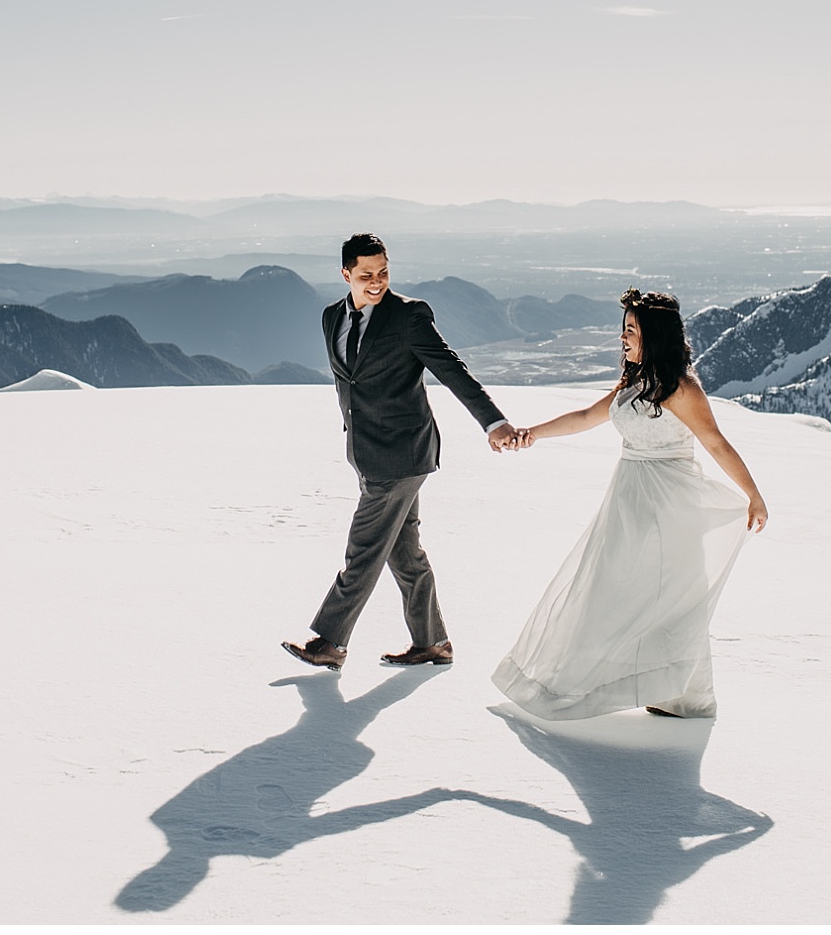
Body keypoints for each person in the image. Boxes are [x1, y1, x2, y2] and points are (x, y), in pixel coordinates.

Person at [491, 288, 768, 719]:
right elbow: (586, 417)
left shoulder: (681, 389)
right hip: (630, 500)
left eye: (631, 331)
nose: (623, 339)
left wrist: (753, 495)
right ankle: (628, 684)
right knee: (615, 591)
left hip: (670, 504)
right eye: (623, 330)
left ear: (654, 336)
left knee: (668, 596)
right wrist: (533, 433)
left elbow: (716, 443)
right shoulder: (634, 381)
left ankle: (681, 695)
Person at [282, 233, 521, 671]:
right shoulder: (331, 317)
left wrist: (493, 421)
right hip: (366, 451)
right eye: (367, 274)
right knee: (404, 553)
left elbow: (451, 369)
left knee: (364, 548)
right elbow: (349, 382)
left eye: (384, 272)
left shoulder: (409, 316)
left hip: (403, 454)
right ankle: (433, 643)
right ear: (346, 274)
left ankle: (330, 641)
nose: (377, 282)